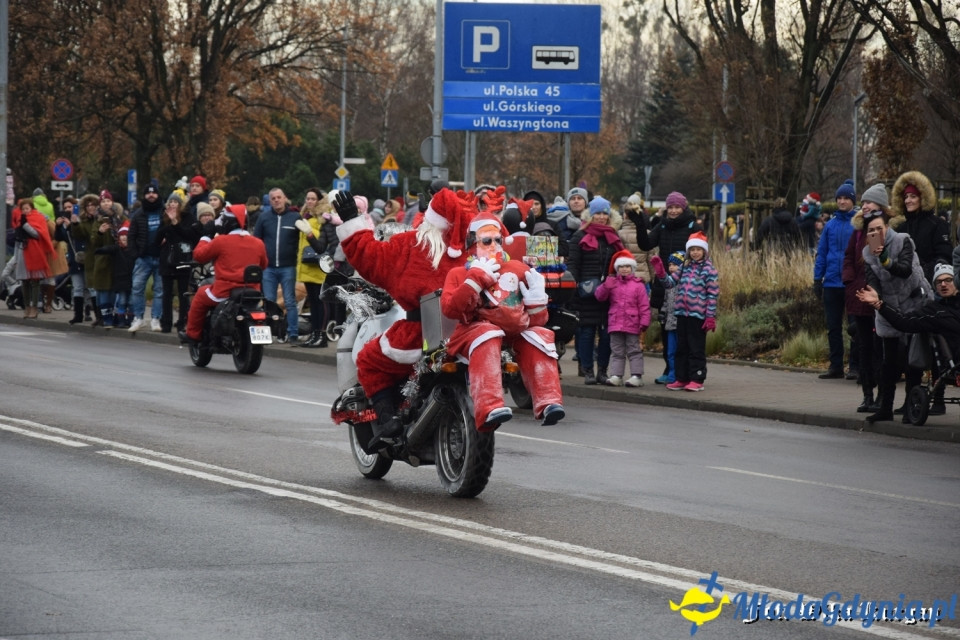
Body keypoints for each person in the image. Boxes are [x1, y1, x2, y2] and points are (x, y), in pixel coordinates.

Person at [333, 187, 468, 450]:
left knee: (369, 360)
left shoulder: (410, 245)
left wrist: (351, 220)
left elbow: (369, 256)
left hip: (420, 333)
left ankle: (387, 420)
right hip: (465, 332)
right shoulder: (470, 249)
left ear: (428, 217)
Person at [440, 212, 564, 428]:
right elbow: (450, 309)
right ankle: (489, 407)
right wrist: (476, 278)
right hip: (473, 331)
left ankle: (548, 402)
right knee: (487, 334)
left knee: (539, 335)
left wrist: (537, 302)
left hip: (513, 332)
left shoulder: (518, 269)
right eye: (486, 240)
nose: (493, 245)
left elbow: (537, 320)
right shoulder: (460, 273)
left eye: (498, 240)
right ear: (472, 242)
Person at [855, 204, 932, 423]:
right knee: (889, 362)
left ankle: (911, 407)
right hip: (888, 306)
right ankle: (885, 408)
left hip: (914, 301)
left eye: (879, 229)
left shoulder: (903, 240)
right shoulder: (867, 253)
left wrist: (886, 259)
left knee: (913, 359)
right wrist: (874, 295)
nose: (876, 234)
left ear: (887, 227)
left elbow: (905, 269)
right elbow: (872, 278)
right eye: (871, 231)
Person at [858, 262, 960, 417]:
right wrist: (879, 304)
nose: (944, 284)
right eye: (939, 282)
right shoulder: (934, 311)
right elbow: (904, 322)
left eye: (948, 280)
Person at [629, 190, 703, 382]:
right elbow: (646, 245)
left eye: (677, 207)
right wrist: (639, 223)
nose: (673, 211)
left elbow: (700, 253)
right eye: (670, 207)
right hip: (664, 282)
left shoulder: (691, 226)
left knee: (683, 330)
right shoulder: (662, 225)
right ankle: (669, 368)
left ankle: (683, 371)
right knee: (665, 327)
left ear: (683, 207)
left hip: (686, 284)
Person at [179, 205, 267, 344]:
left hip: (224, 291)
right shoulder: (258, 243)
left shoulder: (221, 241)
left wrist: (206, 236)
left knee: (200, 295)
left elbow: (199, 256)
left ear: (227, 223)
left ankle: (193, 334)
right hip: (252, 291)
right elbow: (263, 265)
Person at [650, 232, 720, 391]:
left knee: (696, 348)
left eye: (698, 249)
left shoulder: (710, 270)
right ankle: (682, 378)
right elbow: (669, 284)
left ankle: (697, 379)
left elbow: (712, 294)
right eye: (692, 249)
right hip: (681, 313)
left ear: (704, 251)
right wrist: (661, 272)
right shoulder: (684, 267)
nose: (695, 252)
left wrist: (710, 316)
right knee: (682, 348)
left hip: (698, 316)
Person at [567, 196, 624, 385]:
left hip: (610, 294)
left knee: (608, 334)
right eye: (597, 213)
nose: (601, 217)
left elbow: (622, 263)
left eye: (604, 214)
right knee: (587, 333)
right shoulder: (580, 236)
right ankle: (588, 370)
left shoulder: (615, 237)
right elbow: (573, 265)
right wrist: (573, 290)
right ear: (590, 215)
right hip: (586, 294)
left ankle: (603, 371)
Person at [843, 183, 887, 414]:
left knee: (879, 349)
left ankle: (881, 396)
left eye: (869, 202)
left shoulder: (879, 229)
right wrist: (849, 281)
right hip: (859, 296)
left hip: (877, 298)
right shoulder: (858, 231)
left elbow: (876, 263)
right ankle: (867, 395)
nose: (865, 205)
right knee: (863, 347)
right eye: (864, 202)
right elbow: (849, 256)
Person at [813, 180, 858, 379]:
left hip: (852, 282)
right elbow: (822, 253)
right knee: (833, 327)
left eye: (846, 198)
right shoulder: (830, 225)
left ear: (852, 200)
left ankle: (856, 366)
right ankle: (836, 366)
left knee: (856, 327)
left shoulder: (858, 224)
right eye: (839, 198)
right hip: (831, 282)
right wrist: (817, 279)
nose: (842, 201)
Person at [594, 249, 650, 387]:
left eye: (627, 266)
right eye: (621, 267)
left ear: (632, 268)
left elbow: (644, 305)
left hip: (633, 323)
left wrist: (644, 321)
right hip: (615, 322)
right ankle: (616, 375)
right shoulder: (612, 283)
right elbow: (599, 296)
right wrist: (606, 286)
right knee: (617, 350)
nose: (624, 269)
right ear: (617, 268)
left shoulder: (638, 285)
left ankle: (636, 376)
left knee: (634, 350)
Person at [253, 187, 301, 343]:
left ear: (285, 198)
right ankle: (267, 335)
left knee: (289, 301)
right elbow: (257, 241)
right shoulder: (264, 218)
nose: (276, 200)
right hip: (269, 267)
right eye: (273, 198)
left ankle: (293, 334)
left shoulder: (295, 217)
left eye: (279, 197)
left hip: (288, 266)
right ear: (270, 201)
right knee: (269, 301)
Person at [890, 171, 950, 284]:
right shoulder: (900, 228)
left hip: (930, 284)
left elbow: (944, 255)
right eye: (906, 197)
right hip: (905, 286)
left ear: (922, 198)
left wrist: (925, 273)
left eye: (913, 196)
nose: (908, 200)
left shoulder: (937, 224)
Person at [292, 187, 328, 348]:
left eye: (313, 199)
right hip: (307, 265)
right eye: (308, 198)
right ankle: (314, 334)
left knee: (320, 302)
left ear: (319, 201)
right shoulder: (304, 216)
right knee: (313, 302)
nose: (310, 201)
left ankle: (321, 335)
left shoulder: (323, 218)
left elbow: (322, 241)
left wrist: (308, 230)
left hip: (317, 266)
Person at [127, 182, 165, 332]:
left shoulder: (164, 212)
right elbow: (131, 236)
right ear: (144, 196)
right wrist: (134, 254)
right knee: (137, 287)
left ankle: (155, 319)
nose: (151, 195)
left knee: (159, 290)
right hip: (143, 258)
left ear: (158, 194)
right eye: (148, 193)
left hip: (161, 257)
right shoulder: (138, 214)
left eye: (154, 193)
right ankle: (138, 318)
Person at [156, 193, 197, 333]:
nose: (173, 204)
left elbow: (189, 235)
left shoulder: (189, 217)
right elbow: (157, 238)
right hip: (168, 259)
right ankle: (166, 322)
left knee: (183, 293)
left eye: (176, 202)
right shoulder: (164, 217)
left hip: (183, 258)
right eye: (171, 202)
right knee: (167, 293)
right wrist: (168, 224)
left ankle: (182, 322)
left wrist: (176, 224)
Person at [87, 190, 126, 328]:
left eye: (108, 201)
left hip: (118, 260)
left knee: (116, 290)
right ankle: (106, 318)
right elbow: (93, 242)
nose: (106, 204)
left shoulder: (120, 217)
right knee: (103, 290)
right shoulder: (97, 221)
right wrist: (100, 232)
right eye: (103, 201)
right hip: (103, 261)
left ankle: (118, 316)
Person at [12, 198, 55, 318]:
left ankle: (35, 307)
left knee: (35, 281)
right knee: (24, 281)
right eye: (23, 209)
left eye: (27, 208)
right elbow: (17, 240)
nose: (25, 211)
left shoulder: (38, 218)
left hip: (35, 251)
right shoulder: (19, 219)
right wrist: (15, 258)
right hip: (22, 251)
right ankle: (27, 307)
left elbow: (38, 234)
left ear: (32, 208)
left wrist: (25, 225)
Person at [55, 197, 88, 324]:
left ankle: (91, 311)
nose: (68, 210)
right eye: (65, 208)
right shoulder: (65, 223)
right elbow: (61, 238)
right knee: (77, 287)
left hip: (85, 256)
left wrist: (72, 226)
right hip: (74, 258)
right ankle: (78, 314)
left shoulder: (81, 219)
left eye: (70, 207)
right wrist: (59, 226)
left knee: (89, 287)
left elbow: (80, 236)